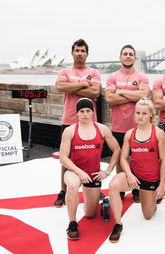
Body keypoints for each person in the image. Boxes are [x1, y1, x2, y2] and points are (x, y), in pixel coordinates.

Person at [108, 98, 165, 243]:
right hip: (134, 176)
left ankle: (155, 198)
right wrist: (128, 175)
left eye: (144, 113)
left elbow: (164, 160)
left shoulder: (158, 133)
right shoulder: (129, 134)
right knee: (113, 185)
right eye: (138, 113)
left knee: (147, 215)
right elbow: (123, 158)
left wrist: (162, 185)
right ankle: (117, 224)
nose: (140, 116)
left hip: (150, 178)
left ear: (151, 115)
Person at [60, 98, 120, 240]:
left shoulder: (102, 129)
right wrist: (79, 172)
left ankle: (96, 201)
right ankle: (72, 223)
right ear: (77, 113)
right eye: (82, 111)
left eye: (88, 111)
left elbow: (117, 150)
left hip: (93, 174)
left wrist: (107, 171)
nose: (85, 114)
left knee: (90, 214)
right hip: (74, 172)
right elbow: (63, 158)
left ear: (92, 112)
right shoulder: (69, 131)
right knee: (73, 185)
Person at [54, 39, 103, 208]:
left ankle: (92, 186)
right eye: (77, 50)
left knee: (92, 155)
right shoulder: (65, 71)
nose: (80, 53)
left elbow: (95, 91)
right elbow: (60, 87)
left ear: (87, 54)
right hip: (69, 120)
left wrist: (71, 86)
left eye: (83, 51)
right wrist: (82, 84)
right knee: (66, 158)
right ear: (72, 53)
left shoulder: (94, 72)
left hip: (90, 122)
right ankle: (63, 189)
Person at [104, 44, 150, 202]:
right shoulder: (112, 77)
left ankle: (136, 188)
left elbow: (144, 95)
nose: (128, 56)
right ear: (120, 57)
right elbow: (109, 98)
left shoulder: (142, 77)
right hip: (118, 125)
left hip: (138, 126)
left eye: (131, 54)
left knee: (137, 159)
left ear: (135, 58)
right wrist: (134, 94)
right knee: (119, 158)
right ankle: (122, 186)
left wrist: (121, 91)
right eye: (125, 54)